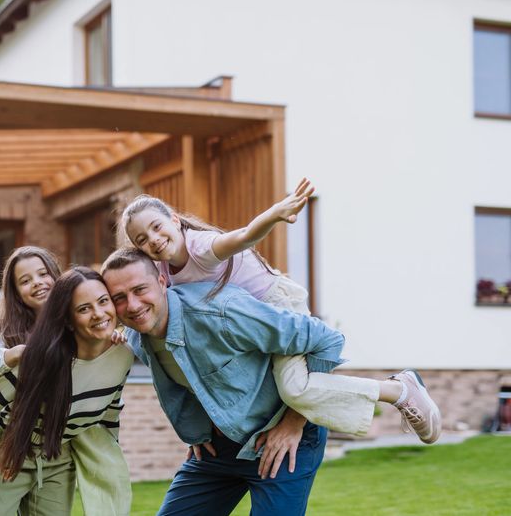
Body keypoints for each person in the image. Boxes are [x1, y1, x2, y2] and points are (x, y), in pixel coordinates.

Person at [101, 248, 440, 515]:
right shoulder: (137, 337)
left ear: (162, 282)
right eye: (119, 298)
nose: (132, 304)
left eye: (140, 289)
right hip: (219, 449)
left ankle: (400, 390)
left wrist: (294, 420)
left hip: (284, 441)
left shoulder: (220, 311)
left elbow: (325, 340)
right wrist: (196, 429)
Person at [118, 182, 441, 444]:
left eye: (157, 227)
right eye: (142, 239)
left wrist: (273, 215)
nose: (155, 240)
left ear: (174, 219)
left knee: (294, 388)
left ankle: (398, 390)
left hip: (277, 306)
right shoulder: (160, 268)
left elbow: (243, 236)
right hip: (247, 323)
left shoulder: (202, 247)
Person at [0, 266, 133, 516]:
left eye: (103, 301)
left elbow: (109, 412)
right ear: (68, 320)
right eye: (84, 308)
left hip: (57, 457)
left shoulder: (123, 356)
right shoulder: (41, 359)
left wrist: (109, 455)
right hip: (3, 452)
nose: (99, 314)